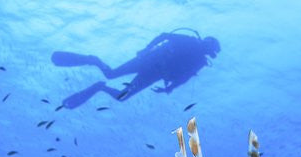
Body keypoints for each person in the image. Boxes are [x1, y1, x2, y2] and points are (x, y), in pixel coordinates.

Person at [52, 31, 220, 109]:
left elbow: (185, 77)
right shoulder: (190, 41)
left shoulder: (199, 62)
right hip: (147, 61)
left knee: (122, 97)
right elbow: (164, 36)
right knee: (111, 74)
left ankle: (99, 87)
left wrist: (169, 88)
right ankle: (93, 60)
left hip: (153, 74)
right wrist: (147, 49)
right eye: (209, 48)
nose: (206, 51)